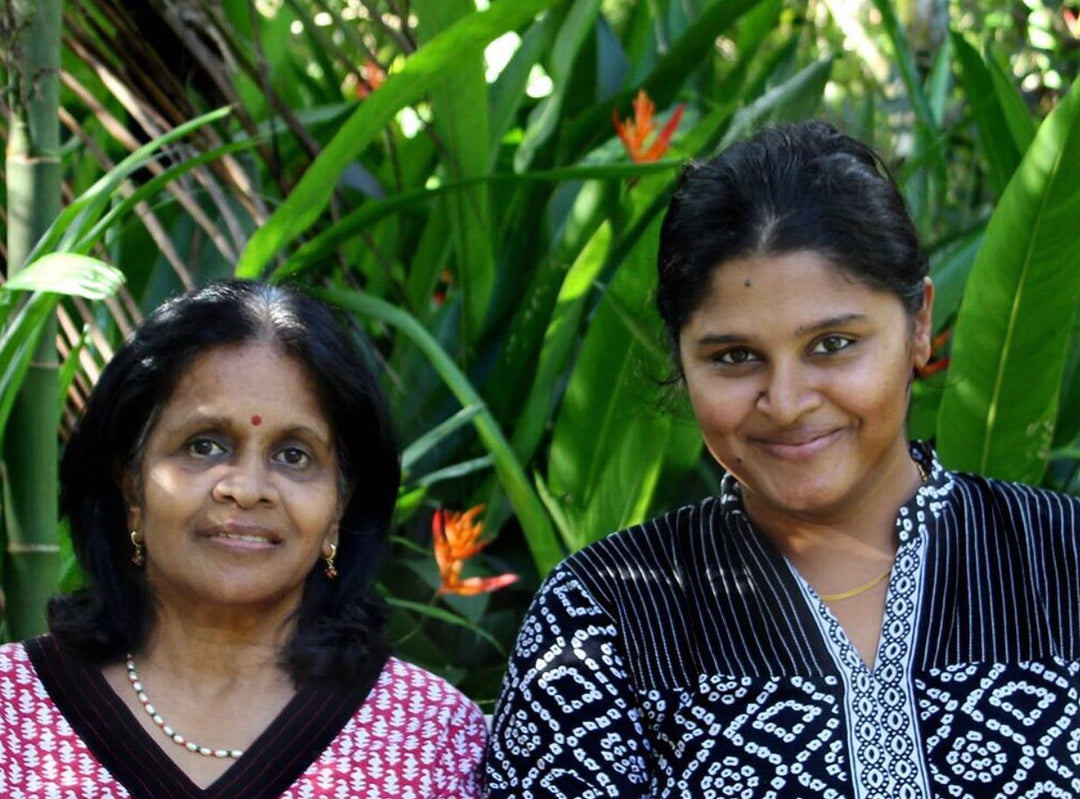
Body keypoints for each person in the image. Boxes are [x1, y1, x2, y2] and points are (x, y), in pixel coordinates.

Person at [484, 121, 1080, 798]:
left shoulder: (1061, 562)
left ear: (919, 325)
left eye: (832, 343)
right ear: (679, 359)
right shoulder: (605, 617)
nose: (788, 402)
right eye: (734, 357)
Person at [0, 280, 486, 798]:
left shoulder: (431, 737)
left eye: (294, 455)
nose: (247, 489)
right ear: (131, 486)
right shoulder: (10, 711)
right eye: (204, 445)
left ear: (340, 506)